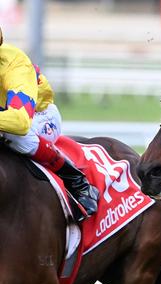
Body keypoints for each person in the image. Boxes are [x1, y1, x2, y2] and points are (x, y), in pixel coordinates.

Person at [0, 29, 99, 221]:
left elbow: (20, 122)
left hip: (39, 117)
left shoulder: (15, 65)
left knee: (12, 135)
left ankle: (77, 182)